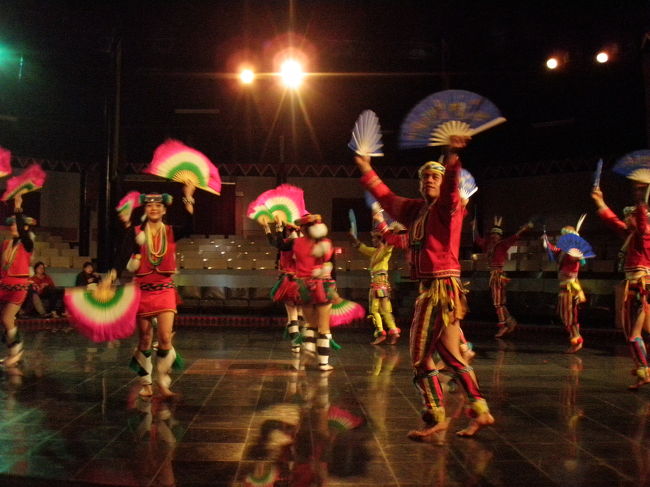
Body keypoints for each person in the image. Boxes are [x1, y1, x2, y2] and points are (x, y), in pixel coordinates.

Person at [355, 135, 494, 439]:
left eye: (436, 176)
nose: (430, 180)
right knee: (454, 358)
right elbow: (387, 198)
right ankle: (481, 411)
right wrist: (366, 168)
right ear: (419, 183)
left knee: (420, 357)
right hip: (437, 289)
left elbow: (449, 190)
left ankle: (436, 416)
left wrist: (452, 156)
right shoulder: (417, 210)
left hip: (438, 289)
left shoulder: (449, 207)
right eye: (425, 177)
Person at [123, 182, 195, 397]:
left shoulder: (171, 232)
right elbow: (124, 257)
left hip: (164, 289)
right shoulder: (135, 233)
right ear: (146, 209)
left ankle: (163, 380)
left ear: (164, 210)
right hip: (142, 290)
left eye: (158, 206)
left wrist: (188, 197)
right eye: (149, 206)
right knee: (144, 338)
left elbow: (190, 226)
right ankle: (146, 382)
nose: (153, 208)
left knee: (164, 337)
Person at [592, 184, 650, 389]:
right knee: (631, 333)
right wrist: (599, 200)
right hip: (636, 286)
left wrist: (640, 199)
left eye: (630, 216)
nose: (626, 219)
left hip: (640, 287)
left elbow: (642, 223)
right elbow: (612, 220)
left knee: (634, 334)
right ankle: (641, 368)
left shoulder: (644, 235)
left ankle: (644, 371)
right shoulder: (632, 235)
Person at [290, 213, 337, 372]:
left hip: (303, 287)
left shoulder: (296, 243)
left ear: (302, 228)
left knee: (310, 323)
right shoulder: (325, 243)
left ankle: (309, 348)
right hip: (322, 287)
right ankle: (323, 363)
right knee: (324, 327)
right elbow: (328, 261)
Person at [473, 216, 533, 338]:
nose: (494, 236)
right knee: (499, 303)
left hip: (498, 275)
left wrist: (523, 229)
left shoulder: (502, 245)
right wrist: (473, 227)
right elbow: (477, 239)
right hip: (493, 275)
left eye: (497, 235)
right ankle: (510, 321)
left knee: (498, 303)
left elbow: (514, 237)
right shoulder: (487, 245)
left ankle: (503, 325)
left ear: (500, 236)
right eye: (493, 234)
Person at [349, 219, 401, 345]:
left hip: (378, 286)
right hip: (382, 285)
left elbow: (390, 244)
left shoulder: (385, 250)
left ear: (380, 240)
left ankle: (380, 332)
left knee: (375, 311)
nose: (373, 241)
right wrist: (353, 237)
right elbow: (362, 248)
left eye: (375, 239)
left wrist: (393, 232)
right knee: (385, 311)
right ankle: (393, 331)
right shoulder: (375, 252)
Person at [0, 192, 35, 368]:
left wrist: (18, 207)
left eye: (17, 223)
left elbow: (22, 230)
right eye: (12, 223)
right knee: (5, 320)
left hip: (18, 286)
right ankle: (13, 349)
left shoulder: (27, 243)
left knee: (7, 319)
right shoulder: (6, 244)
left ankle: (16, 350)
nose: (13, 226)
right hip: (3, 284)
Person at [542, 227, 589, 353]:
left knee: (569, 315)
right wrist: (546, 242)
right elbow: (554, 249)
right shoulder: (564, 249)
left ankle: (576, 339)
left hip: (571, 287)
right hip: (564, 287)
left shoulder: (573, 251)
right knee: (565, 315)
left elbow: (580, 260)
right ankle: (575, 337)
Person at [262, 216, 304, 353]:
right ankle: (302, 340)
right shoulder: (306, 244)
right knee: (301, 313)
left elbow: (274, 242)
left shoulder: (286, 243)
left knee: (292, 316)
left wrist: (271, 227)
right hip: (304, 282)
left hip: (290, 281)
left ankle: (296, 343)